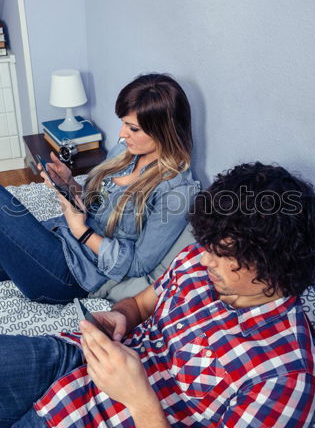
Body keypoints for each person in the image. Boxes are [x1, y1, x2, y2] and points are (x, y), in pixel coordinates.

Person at [1, 162, 315, 428]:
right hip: (75, 361)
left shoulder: (286, 380)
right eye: (207, 245)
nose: (204, 259)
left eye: (222, 254)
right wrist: (121, 317)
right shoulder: (199, 259)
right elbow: (140, 304)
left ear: (273, 264)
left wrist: (138, 398)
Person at [0, 73, 199, 304]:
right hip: (57, 237)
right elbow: (95, 205)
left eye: (133, 128)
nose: (122, 134)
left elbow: (138, 266)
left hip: (72, 275)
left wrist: (82, 232)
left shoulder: (176, 192)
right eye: (123, 123)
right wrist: (69, 184)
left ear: (164, 131)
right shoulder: (123, 153)